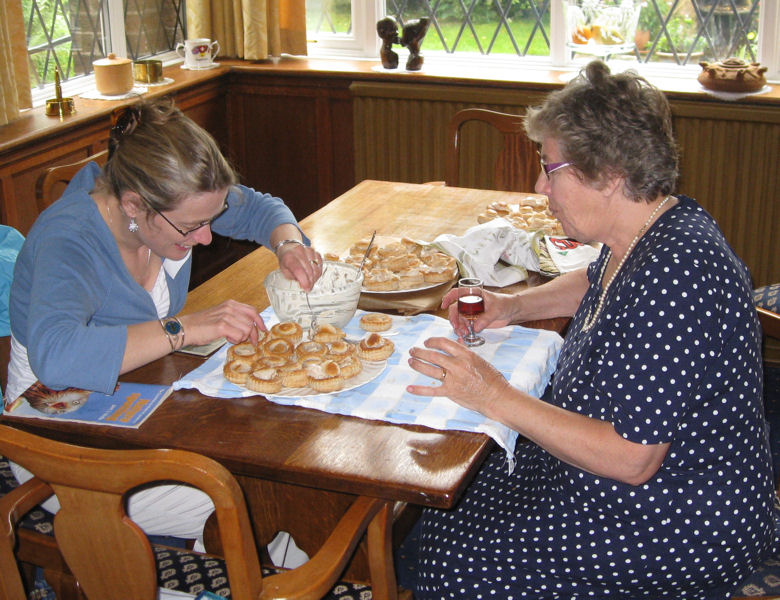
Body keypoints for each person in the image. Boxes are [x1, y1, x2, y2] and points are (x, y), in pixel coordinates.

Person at [404, 60, 775, 599]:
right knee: (449, 498)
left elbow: (631, 457)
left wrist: (492, 394)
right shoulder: (652, 229)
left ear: (610, 175)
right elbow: (593, 281)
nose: (539, 186)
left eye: (550, 170)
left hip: (670, 522)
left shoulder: (678, 277)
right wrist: (510, 306)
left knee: (450, 564)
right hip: (613, 483)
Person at [4, 97, 322, 558]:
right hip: (56, 436)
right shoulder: (68, 239)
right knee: (256, 495)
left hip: (141, 399)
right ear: (134, 204)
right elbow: (57, 358)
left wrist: (288, 244)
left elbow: (258, 209)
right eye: (192, 228)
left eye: (210, 220)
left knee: (284, 455)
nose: (206, 237)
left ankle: (257, 567)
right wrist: (182, 328)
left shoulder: (178, 201)